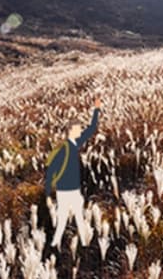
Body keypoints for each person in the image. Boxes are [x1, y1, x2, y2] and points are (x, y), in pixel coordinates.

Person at [44, 98, 102, 249]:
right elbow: (50, 172)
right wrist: (48, 195)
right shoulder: (63, 149)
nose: (80, 131)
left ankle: (83, 243)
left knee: (78, 217)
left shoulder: (75, 145)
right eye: (77, 129)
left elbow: (91, 129)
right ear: (70, 131)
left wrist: (96, 110)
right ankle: (56, 244)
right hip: (64, 190)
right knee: (63, 219)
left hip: (73, 190)